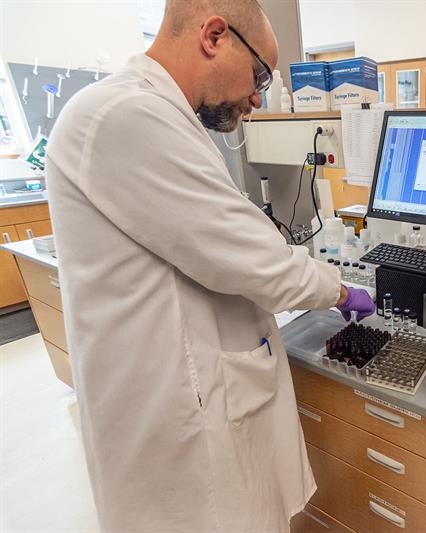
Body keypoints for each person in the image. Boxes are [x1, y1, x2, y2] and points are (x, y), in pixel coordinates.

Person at [45, 1, 374, 531]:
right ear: (214, 36)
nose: (259, 95)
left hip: (197, 386)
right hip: (177, 421)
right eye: (260, 72)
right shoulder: (123, 116)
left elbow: (223, 240)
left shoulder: (159, 115)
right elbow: (254, 259)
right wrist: (338, 290)